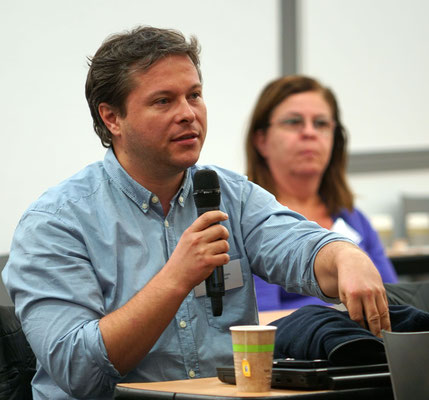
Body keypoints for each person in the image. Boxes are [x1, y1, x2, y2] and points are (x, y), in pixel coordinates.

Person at [2, 26, 390, 399]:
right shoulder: (55, 223)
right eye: (163, 101)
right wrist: (175, 279)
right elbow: (75, 369)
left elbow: (298, 247)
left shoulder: (231, 194)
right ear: (112, 118)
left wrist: (343, 255)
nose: (188, 113)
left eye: (195, 95)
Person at [245, 75, 398, 311]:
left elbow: (396, 301)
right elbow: (258, 322)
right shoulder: (251, 225)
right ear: (261, 140)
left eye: (321, 123)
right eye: (294, 122)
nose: (309, 133)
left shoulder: (353, 218)